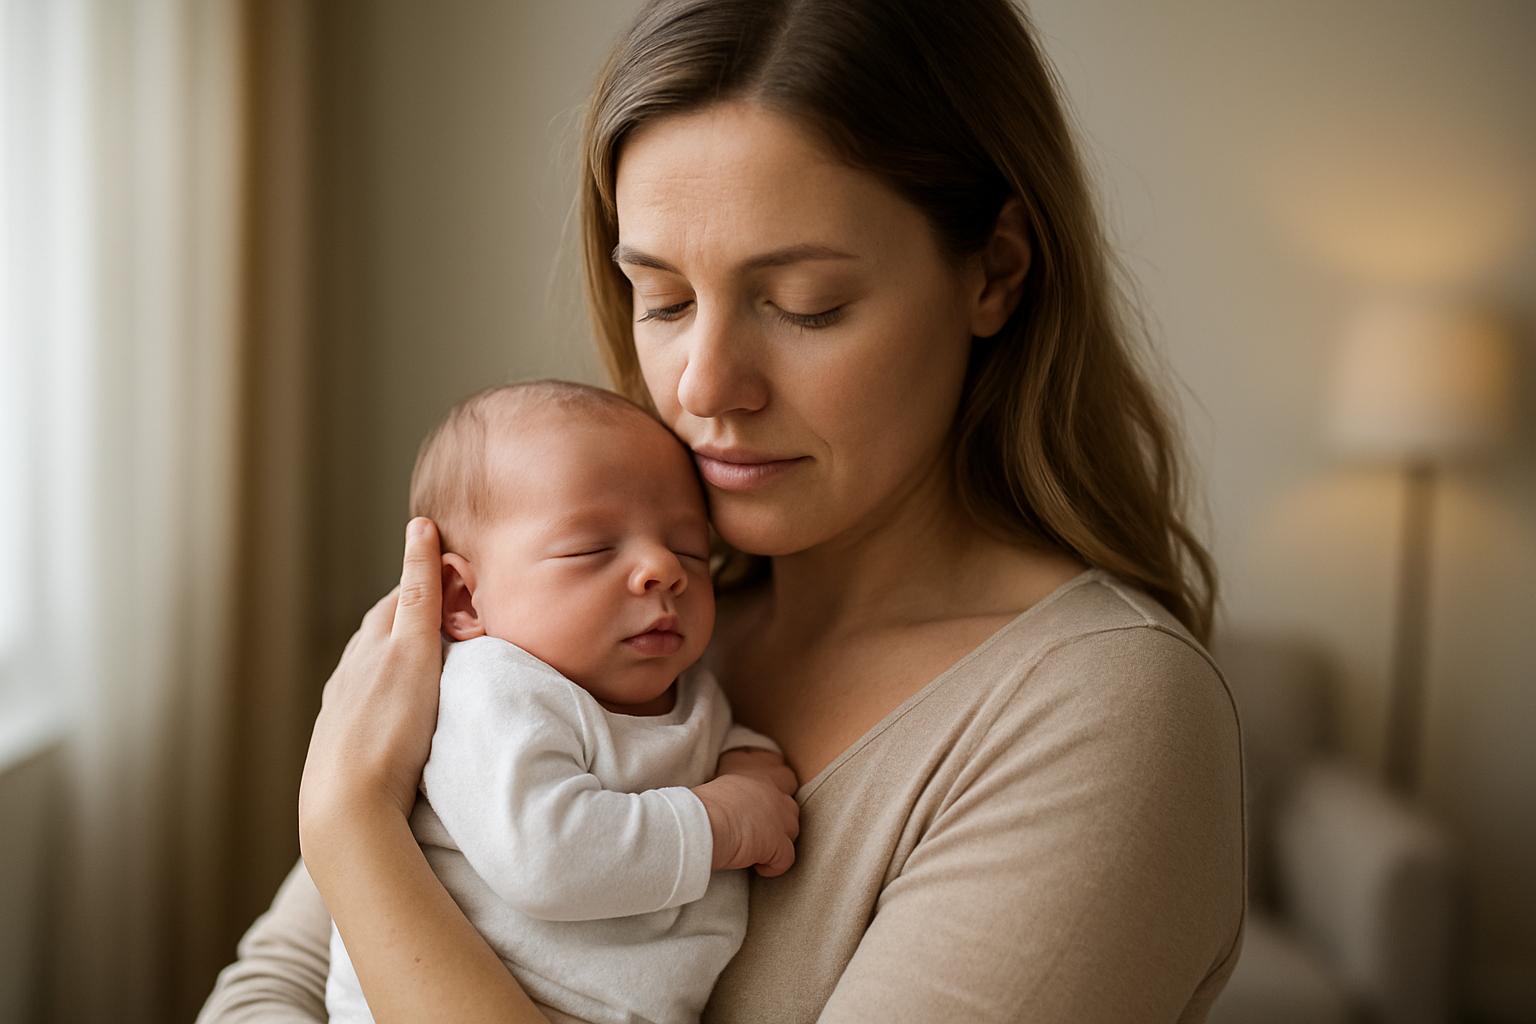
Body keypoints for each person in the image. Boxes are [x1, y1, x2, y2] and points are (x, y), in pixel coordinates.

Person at [198, 1, 1244, 1021]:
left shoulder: (1103, 713)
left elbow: (358, 891)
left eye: (804, 306)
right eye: (662, 298)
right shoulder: (585, 614)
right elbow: (272, 987)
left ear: (996, 271)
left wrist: (347, 824)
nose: (704, 385)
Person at [324, 380, 798, 1024]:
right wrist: (722, 822)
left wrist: (748, 761)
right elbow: (544, 856)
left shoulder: (682, 683)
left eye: (691, 548)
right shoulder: (493, 688)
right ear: (462, 599)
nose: (664, 568)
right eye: (592, 549)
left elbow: (705, 741)